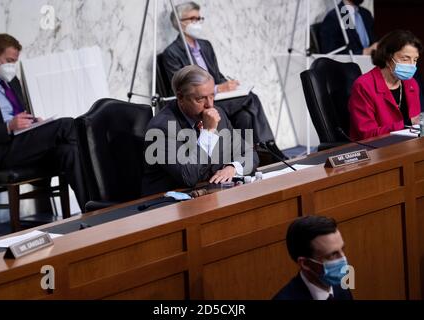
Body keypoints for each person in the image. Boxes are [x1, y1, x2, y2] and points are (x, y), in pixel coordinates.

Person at [0, 33, 87, 212]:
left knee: (69, 151)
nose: (12, 66)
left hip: (22, 142)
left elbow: (21, 114)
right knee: (67, 124)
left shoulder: (12, 81)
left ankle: (91, 211)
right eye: (9, 60)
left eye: (15, 62)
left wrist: (34, 122)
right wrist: (8, 127)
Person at [161, 1, 286, 161]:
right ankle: (268, 146)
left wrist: (229, 85)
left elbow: (216, 76)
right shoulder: (171, 53)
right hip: (201, 101)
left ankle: (251, 156)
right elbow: (182, 88)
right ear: (179, 23)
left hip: (219, 98)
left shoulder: (205, 46)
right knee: (251, 99)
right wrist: (218, 89)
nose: (198, 22)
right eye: (193, 18)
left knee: (245, 116)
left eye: (200, 18)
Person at [141, 65, 259, 196]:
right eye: (200, 99)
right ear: (180, 97)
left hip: (207, 194)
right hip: (165, 204)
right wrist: (208, 132)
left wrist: (233, 168)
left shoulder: (218, 114)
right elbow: (188, 177)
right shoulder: (162, 128)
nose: (210, 105)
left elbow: (249, 153)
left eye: (212, 96)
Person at [349, 30, 422, 140]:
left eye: (415, 59)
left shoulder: (411, 84)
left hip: (406, 148)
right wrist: (408, 124)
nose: (412, 65)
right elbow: (367, 135)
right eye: (405, 59)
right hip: (375, 151)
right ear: (388, 58)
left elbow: (416, 130)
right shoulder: (363, 86)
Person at [273, 215, 353, 300]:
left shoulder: (340, 287)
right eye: (333, 254)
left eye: (342, 249)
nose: (343, 259)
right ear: (305, 264)